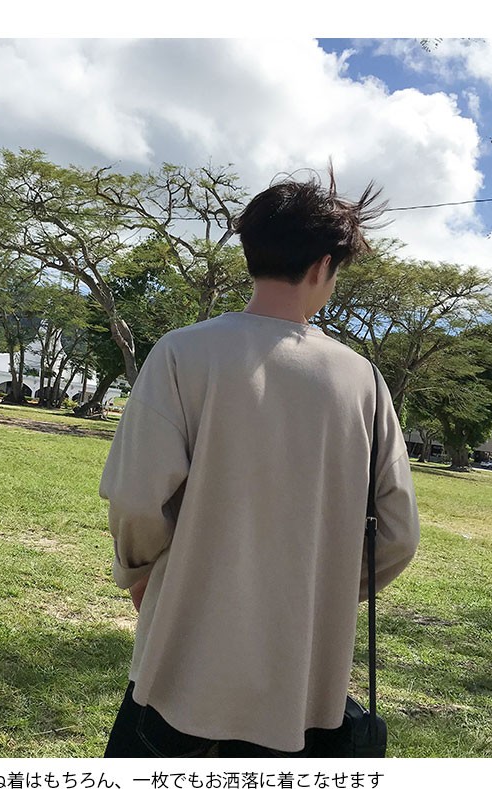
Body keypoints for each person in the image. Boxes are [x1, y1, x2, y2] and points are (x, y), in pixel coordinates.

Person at [99, 167, 420, 758]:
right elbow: (397, 534)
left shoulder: (181, 354)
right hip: (300, 692)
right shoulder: (364, 383)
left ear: (251, 252)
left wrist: (139, 574)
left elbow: (137, 500)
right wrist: (319, 592)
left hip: (180, 669)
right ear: (323, 265)